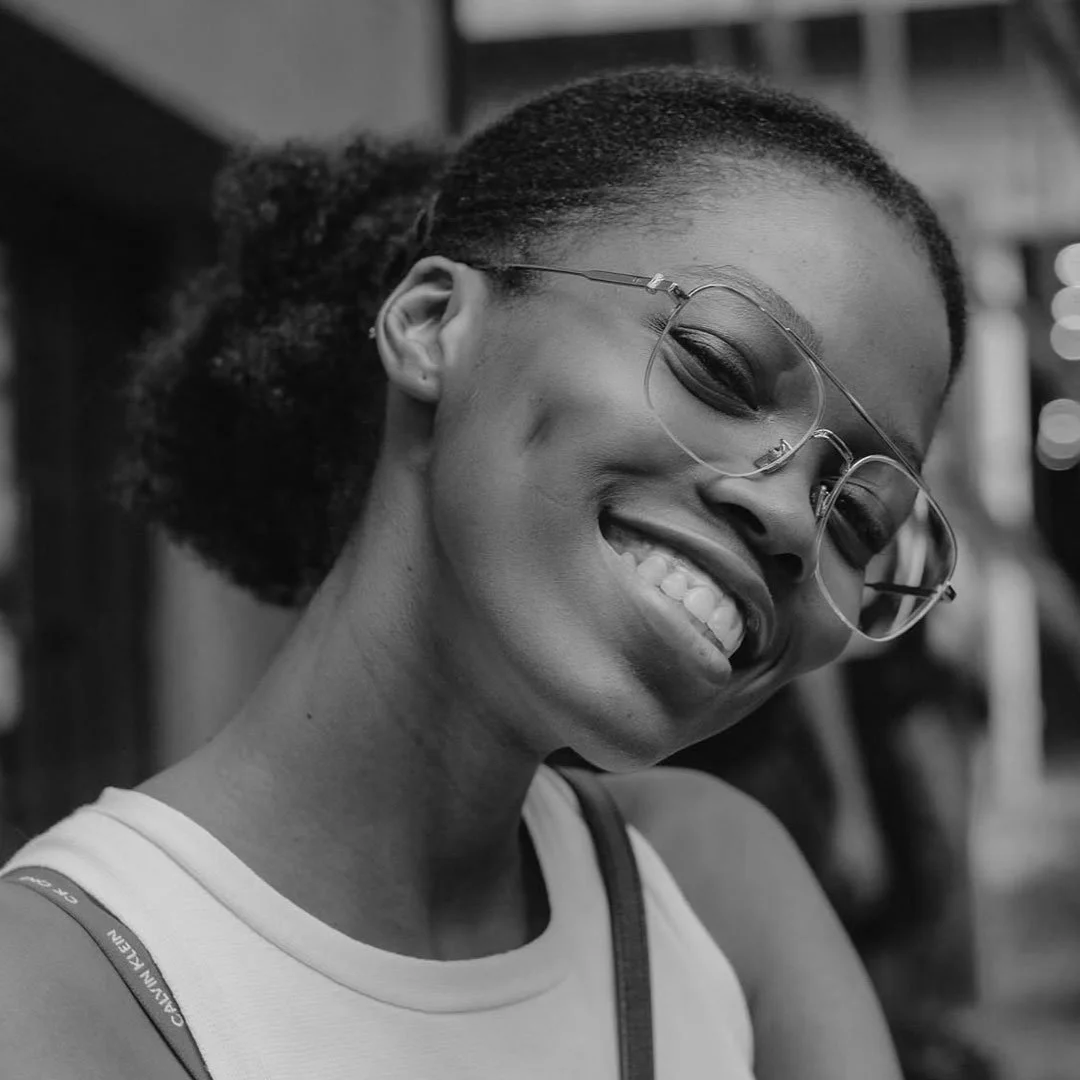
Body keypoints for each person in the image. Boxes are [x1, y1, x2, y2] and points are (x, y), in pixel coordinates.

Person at [0, 67, 966, 1079]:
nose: (784, 518)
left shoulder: (712, 892)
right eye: (720, 369)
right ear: (430, 327)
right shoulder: (60, 993)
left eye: (856, 513)